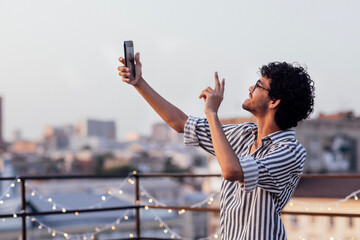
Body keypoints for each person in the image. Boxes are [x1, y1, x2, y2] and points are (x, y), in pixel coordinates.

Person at [118, 52, 315, 240]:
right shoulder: (243, 134)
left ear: (274, 101)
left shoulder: (290, 151)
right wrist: (139, 83)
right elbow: (180, 122)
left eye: (258, 85)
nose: (250, 89)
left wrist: (211, 113)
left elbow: (232, 170)